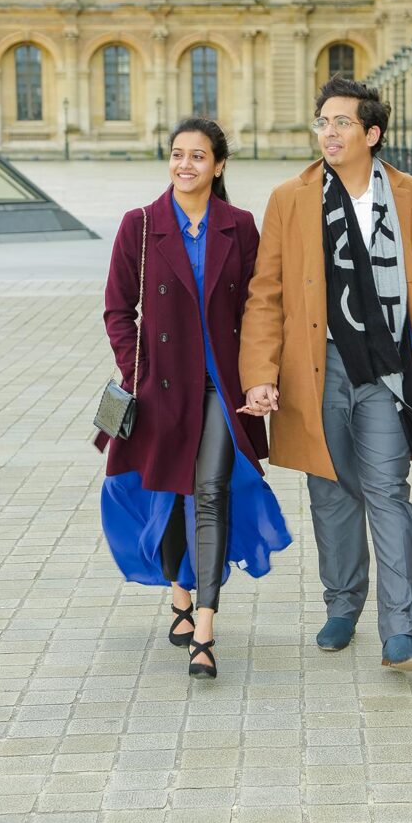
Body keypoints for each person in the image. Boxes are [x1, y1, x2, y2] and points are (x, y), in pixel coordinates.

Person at [238, 76, 412, 673]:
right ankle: (342, 605)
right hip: (317, 366)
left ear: (372, 133)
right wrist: (261, 371)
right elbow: (266, 292)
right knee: (330, 488)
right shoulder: (293, 197)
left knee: (388, 492)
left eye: (342, 123)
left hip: (387, 371)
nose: (329, 132)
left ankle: (401, 631)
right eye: (323, 122)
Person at [95, 117, 291, 679]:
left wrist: (262, 375)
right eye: (178, 154)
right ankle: (179, 594)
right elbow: (116, 311)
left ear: (219, 165)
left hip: (221, 389)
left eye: (198, 156)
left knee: (208, 491)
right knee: (171, 491)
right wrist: (137, 374)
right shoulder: (140, 225)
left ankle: (203, 627)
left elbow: (259, 309)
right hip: (162, 386)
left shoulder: (240, 226)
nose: (186, 165)